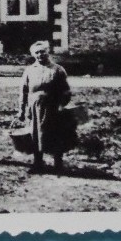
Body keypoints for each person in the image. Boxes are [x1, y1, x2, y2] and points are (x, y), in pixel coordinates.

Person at [18, 40, 73, 174]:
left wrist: (61, 105)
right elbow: (23, 91)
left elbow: (66, 91)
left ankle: (58, 165)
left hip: (53, 108)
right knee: (35, 135)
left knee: (55, 135)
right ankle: (38, 163)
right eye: (37, 52)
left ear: (47, 52)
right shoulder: (29, 70)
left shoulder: (58, 69)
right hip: (34, 109)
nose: (40, 54)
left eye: (42, 51)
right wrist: (21, 110)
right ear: (33, 55)